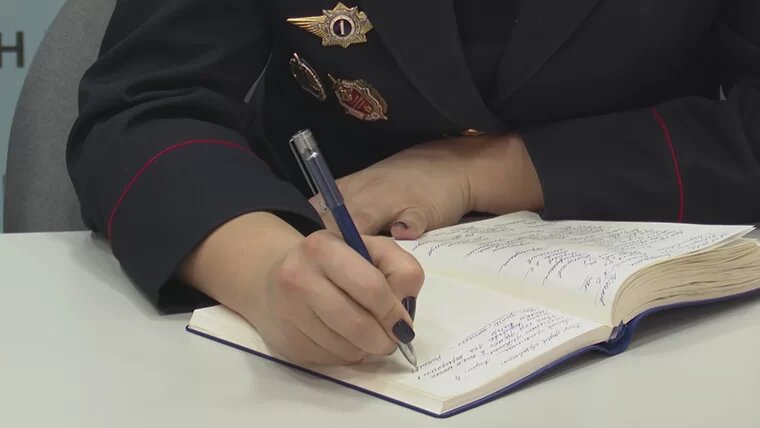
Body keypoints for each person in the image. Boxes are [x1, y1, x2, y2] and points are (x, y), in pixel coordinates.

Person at [66, 0, 760, 365]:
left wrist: (490, 168)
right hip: (325, 303)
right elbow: (145, 105)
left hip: (673, 325)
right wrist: (265, 270)